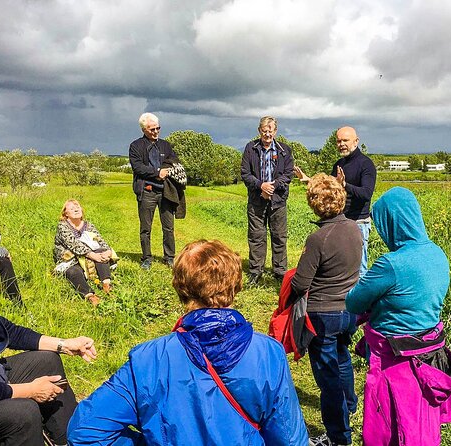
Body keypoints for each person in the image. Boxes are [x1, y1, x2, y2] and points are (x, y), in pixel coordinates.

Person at [68, 239, 308, 445]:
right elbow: (290, 438)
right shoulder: (268, 353)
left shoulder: (148, 358)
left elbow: (85, 430)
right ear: (236, 285)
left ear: (180, 288)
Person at [0, 231, 97, 446]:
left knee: (47, 361)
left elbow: (8, 331)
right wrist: (30, 390)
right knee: (23, 412)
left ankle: (72, 441)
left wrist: (63, 344)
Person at [345, 187, 451, 446]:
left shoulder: (391, 264)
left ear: (392, 223)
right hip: (430, 355)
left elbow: (354, 301)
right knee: (421, 423)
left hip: (394, 361)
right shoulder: (437, 254)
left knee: (391, 426)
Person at [291, 174, 362, 446]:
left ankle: (337, 437)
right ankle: (350, 404)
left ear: (314, 203)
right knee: (342, 358)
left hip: (323, 314)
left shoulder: (318, 238)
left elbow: (301, 283)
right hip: (349, 309)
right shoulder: (354, 228)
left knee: (327, 377)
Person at [294, 126, 376, 276]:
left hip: (358, 222)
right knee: (338, 263)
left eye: (345, 140)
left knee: (359, 267)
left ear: (356, 141)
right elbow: (329, 187)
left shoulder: (366, 164)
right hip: (338, 221)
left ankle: (361, 299)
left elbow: (366, 194)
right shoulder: (340, 164)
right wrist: (309, 180)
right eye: (338, 141)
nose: (341, 144)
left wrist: (345, 185)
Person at [240, 116, 294, 284]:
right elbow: (245, 173)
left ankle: (279, 271)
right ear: (259, 131)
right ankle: (256, 271)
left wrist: (273, 187)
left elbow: (288, 174)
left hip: (278, 200)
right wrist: (260, 186)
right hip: (257, 200)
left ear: (275, 131)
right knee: (256, 236)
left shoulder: (285, 150)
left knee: (279, 236)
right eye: (264, 130)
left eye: (270, 131)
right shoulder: (251, 148)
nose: (267, 134)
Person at [129, 112, 181, 270]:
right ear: (144, 129)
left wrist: (166, 170)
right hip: (147, 191)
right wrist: (157, 172)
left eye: (158, 128)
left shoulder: (165, 145)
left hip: (166, 192)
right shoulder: (136, 146)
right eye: (152, 129)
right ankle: (147, 258)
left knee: (168, 227)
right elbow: (138, 168)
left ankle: (170, 257)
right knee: (146, 228)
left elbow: (173, 161)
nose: (156, 131)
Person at [54, 199, 116, 306]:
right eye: (72, 208)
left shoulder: (88, 225)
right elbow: (73, 245)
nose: (76, 209)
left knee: (101, 252)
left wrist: (107, 251)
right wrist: (93, 255)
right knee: (73, 271)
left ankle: (106, 284)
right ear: (66, 213)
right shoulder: (62, 226)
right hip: (71, 259)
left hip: (89, 256)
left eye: (78, 207)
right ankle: (90, 295)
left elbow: (99, 240)